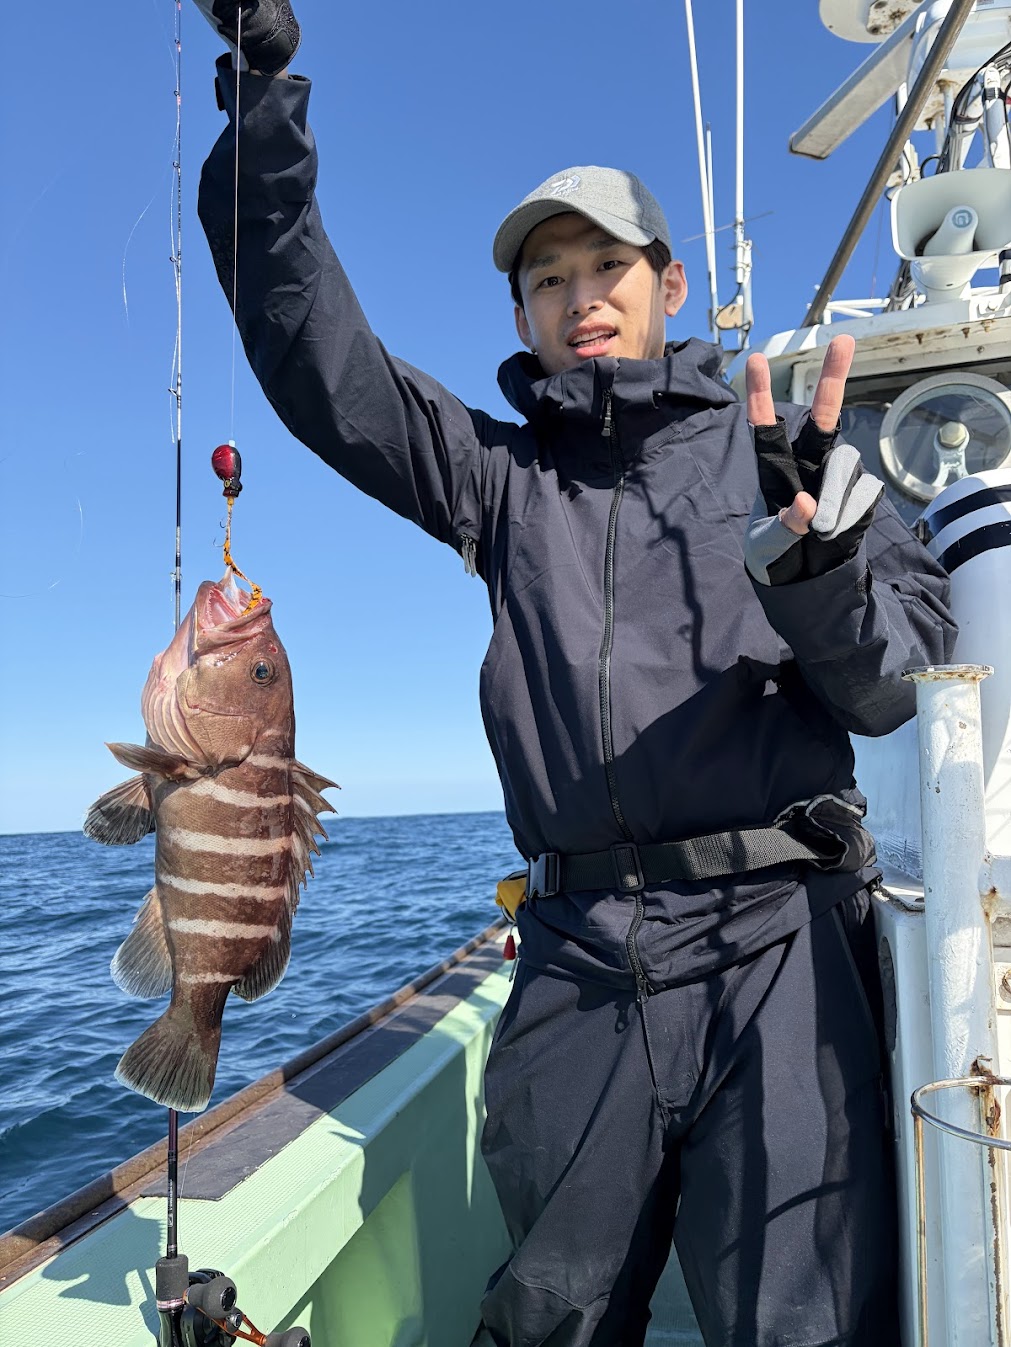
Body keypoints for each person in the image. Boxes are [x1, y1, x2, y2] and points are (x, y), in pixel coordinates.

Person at [192, 4, 957, 1344]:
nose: (581, 295)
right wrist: (263, 100)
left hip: (782, 948)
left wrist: (819, 565)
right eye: (548, 278)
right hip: (577, 958)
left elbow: (898, 687)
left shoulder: (793, 458)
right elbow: (317, 359)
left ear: (669, 286)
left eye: (609, 265)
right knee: (549, 1316)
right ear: (524, 314)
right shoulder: (499, 480)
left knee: (808, 1325)